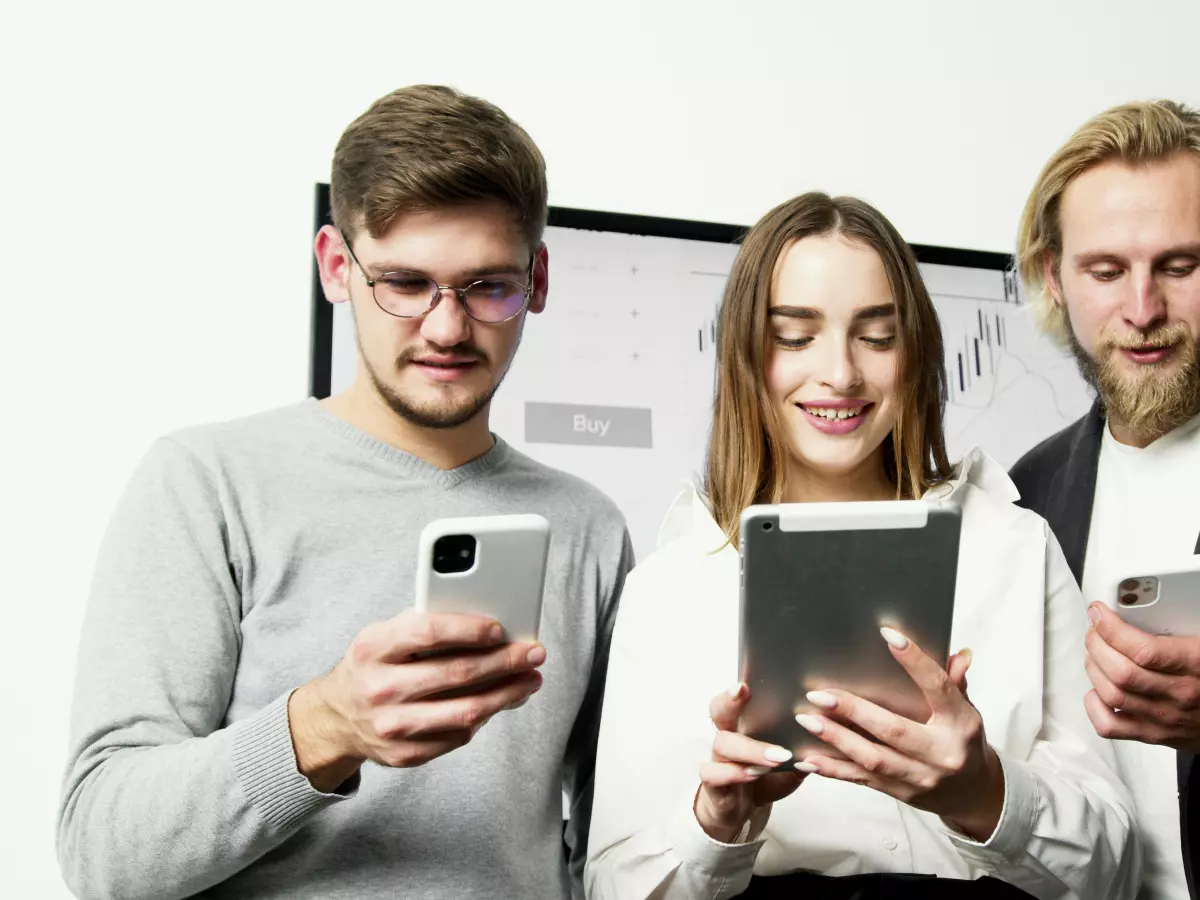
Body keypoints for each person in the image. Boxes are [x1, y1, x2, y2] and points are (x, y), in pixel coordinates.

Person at [55, 84, 633, 900]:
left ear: (537, 279)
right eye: (403, 282)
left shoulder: (589, 528)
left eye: (488, 287)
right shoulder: (207, 483)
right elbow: (102, 855)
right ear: (336, 266)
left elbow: (611, 845)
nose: (445, 327)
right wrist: (325, 725)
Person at [585, 192, 1142, 900]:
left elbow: (1115, 872)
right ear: (745, 354)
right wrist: (718, 822)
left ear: (915, 353)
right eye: (794, 337)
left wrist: (982, 792)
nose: (841, 374)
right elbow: (612, 885)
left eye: (876, 337)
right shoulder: (671, 584)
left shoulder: (1015, 545)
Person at [1009, 98, 1200, 900]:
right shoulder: (1026, 496)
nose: (1143, 310)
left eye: (1181, 266)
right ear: (1055, 276)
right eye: (1106, 270)